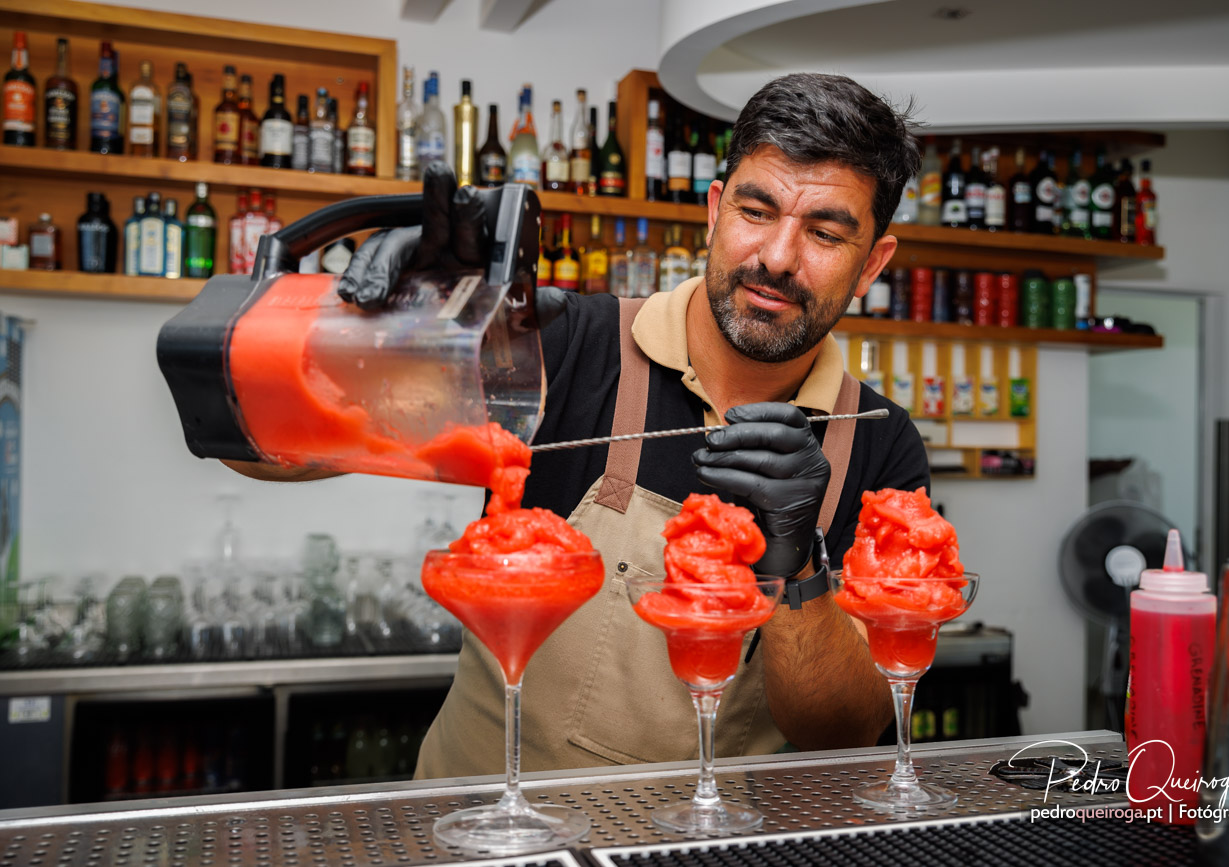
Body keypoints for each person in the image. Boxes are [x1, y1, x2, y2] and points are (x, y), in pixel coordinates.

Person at [231, 73, 928, 779]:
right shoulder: (556, 345)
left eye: (825, 232)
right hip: (488, 839)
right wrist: (384, 337)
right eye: (757, 210)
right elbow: (262, 453)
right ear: (715, 211)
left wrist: (797, 568)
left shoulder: (879, 442)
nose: (778, 257)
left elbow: (843, 733)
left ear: (873, 262)